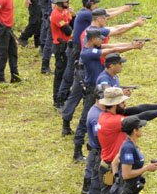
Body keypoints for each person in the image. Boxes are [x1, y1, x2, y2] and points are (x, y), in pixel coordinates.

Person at [61, 9, 145, 138]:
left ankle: (69, 126)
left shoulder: (91, 36)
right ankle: (79, 138)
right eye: (105, 18)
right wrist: (131, 44)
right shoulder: (89, 49)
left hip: (84, 71)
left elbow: (109, 46)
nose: (107, 20)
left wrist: (130, 44)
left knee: (77, 98)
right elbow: (111, 47)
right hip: (87, 76)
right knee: (88, 110)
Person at [66, 28, 143, 164]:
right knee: (86, 120)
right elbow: (108, 51)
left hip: (101, 90)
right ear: (92, 39)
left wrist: (130, 45)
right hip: (93, 91)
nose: (102, 40)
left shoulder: (95, 46)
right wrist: (131, 46)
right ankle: (78, 150)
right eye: (99, 38)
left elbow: (112, 48)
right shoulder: (87, 52)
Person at [58, 0, 133, 105]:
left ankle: (71, 102)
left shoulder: (90, 20)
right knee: (70, 79)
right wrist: (124, 10)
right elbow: (110, 19)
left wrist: (123, 8)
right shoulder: (87, 15)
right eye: (94, 4)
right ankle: (61, 100)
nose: (96, 5)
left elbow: (106, 14)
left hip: (82, 55)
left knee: (82, 88)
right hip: (77, 53)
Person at [38, 0, 65, 74]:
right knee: (50, 40)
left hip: (48, 9)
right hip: (51, 14)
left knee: (49, 38)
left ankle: (45, 63)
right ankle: (45, 66)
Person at [50, 0, 76, 109]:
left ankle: (64, 95)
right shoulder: (56, 15)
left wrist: (73, 16)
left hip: (66, 45)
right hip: (60, 47)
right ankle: (57, 99)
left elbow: (72, 24)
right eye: (66, 1)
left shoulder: (64, 12)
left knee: (67, 72)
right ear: (60, 3)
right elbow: (68, 30)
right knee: (60, 73)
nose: (68, 2)